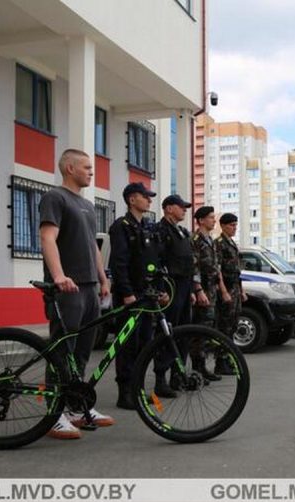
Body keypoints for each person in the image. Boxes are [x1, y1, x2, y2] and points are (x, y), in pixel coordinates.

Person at [39, 148, 113, 439]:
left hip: (90, 287)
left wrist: (103, 279)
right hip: (67, 287)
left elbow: (93, 246)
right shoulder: (55, 197)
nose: (91, 172)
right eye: (86, 167)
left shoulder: (87, 205)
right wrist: (58, 276)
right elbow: (47, 237)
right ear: (69, 168)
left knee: (82, 352)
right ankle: (53, 414)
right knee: (61, 351)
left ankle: (74, 407)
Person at [108, 182, 158, 409]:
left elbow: (151, 262)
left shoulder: (146, 227)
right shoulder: (121, 226)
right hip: (129, 296)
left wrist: (158, 290)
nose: (149, 200)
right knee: (128, 344)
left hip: (146, 295)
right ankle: (125, 392)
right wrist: (127, 292)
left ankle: (138, 389)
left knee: (144, 344)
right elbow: (119, 263)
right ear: (132, 199)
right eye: (145, 196)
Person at [152, 194, 196, 397]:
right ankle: (160, 379)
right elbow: (157, 262)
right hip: (171, 287)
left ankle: (178, 376)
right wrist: (161, 289)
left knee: (183, 333)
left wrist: (193, 290)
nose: (184, 210)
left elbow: (189, 263)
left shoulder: (181, 231)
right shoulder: (161, 231)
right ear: (169, 208)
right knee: (167, 332)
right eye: (181, 206)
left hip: (184, 287)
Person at [190, 206, 227, 381]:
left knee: (208, 329)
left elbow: (216, 267)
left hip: (211, 289)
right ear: (201, 220)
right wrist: (198, 290)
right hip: (202, 290)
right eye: (211, 217)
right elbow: (194, 267)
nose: (214, 220)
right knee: (199, 330)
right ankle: (197, 369)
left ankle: (203, 367)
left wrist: (221, 287)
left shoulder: (210, 240)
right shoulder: (196, 239)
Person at [214, 213, 248, 374]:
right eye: (231, 225)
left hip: (234, 288)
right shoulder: (219, 244)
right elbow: (218, 270)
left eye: (235, 225)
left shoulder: (232, 243)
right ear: (222, 226)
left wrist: (241, 290)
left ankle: (227, 358)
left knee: (233, 325)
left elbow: (236, 271)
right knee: (224, 326)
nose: (234, 228)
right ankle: (220, 362)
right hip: (226, 289)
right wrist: (223, 291)